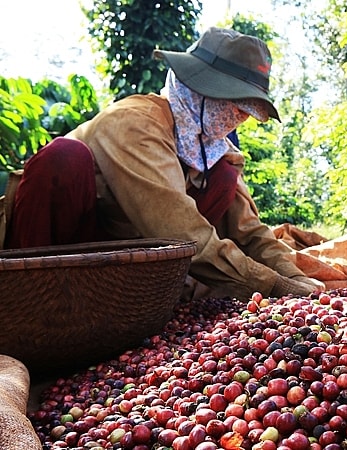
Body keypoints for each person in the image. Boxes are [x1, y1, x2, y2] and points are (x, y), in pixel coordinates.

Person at [2, 27, 324, 300]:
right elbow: (180, 230)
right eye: (237, 104)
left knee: (225, 176)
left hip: (121, 268)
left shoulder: (213, 151)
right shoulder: (136, 123)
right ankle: (27, 299)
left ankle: (140, 296)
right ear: (199, 91)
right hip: (63, 249)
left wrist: (294, 279)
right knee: (64, 158)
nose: (242, 118)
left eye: (248, 111)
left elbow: (250, 231)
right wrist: (269, 286)